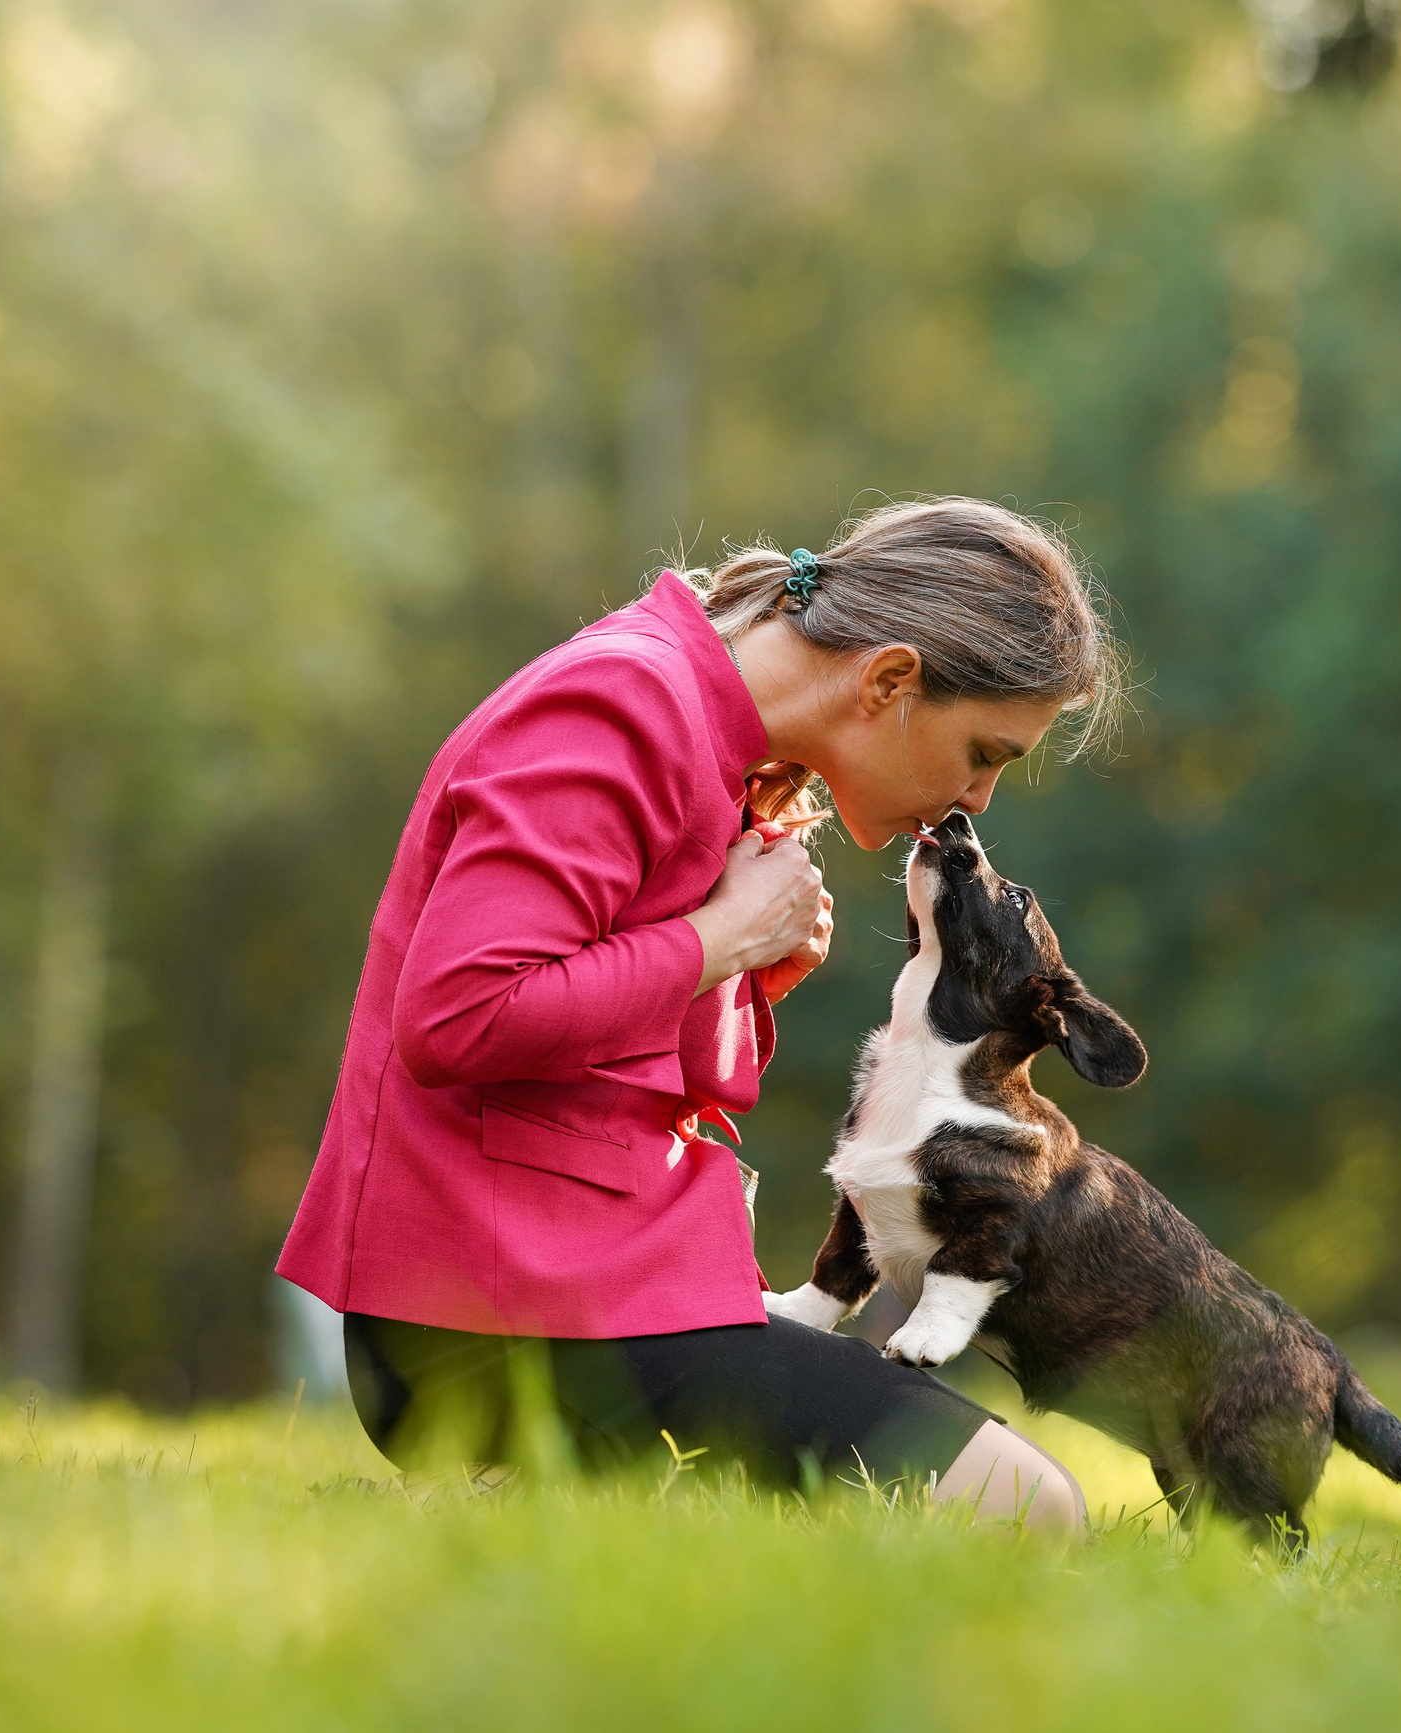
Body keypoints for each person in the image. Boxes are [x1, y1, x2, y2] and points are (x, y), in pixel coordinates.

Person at [276, 496, 1125, 1531]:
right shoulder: (616, 706)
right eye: (984, 752)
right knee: (1023, 1509)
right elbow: (460, 1012)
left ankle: (537, 1512)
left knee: (1012, 1500)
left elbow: (600, 1054)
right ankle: (513, 1491)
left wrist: (749, 961)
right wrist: (716, 942)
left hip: (593, 1288)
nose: (976, 800)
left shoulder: (711, 737)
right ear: (890, 680)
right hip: (497, 1322)